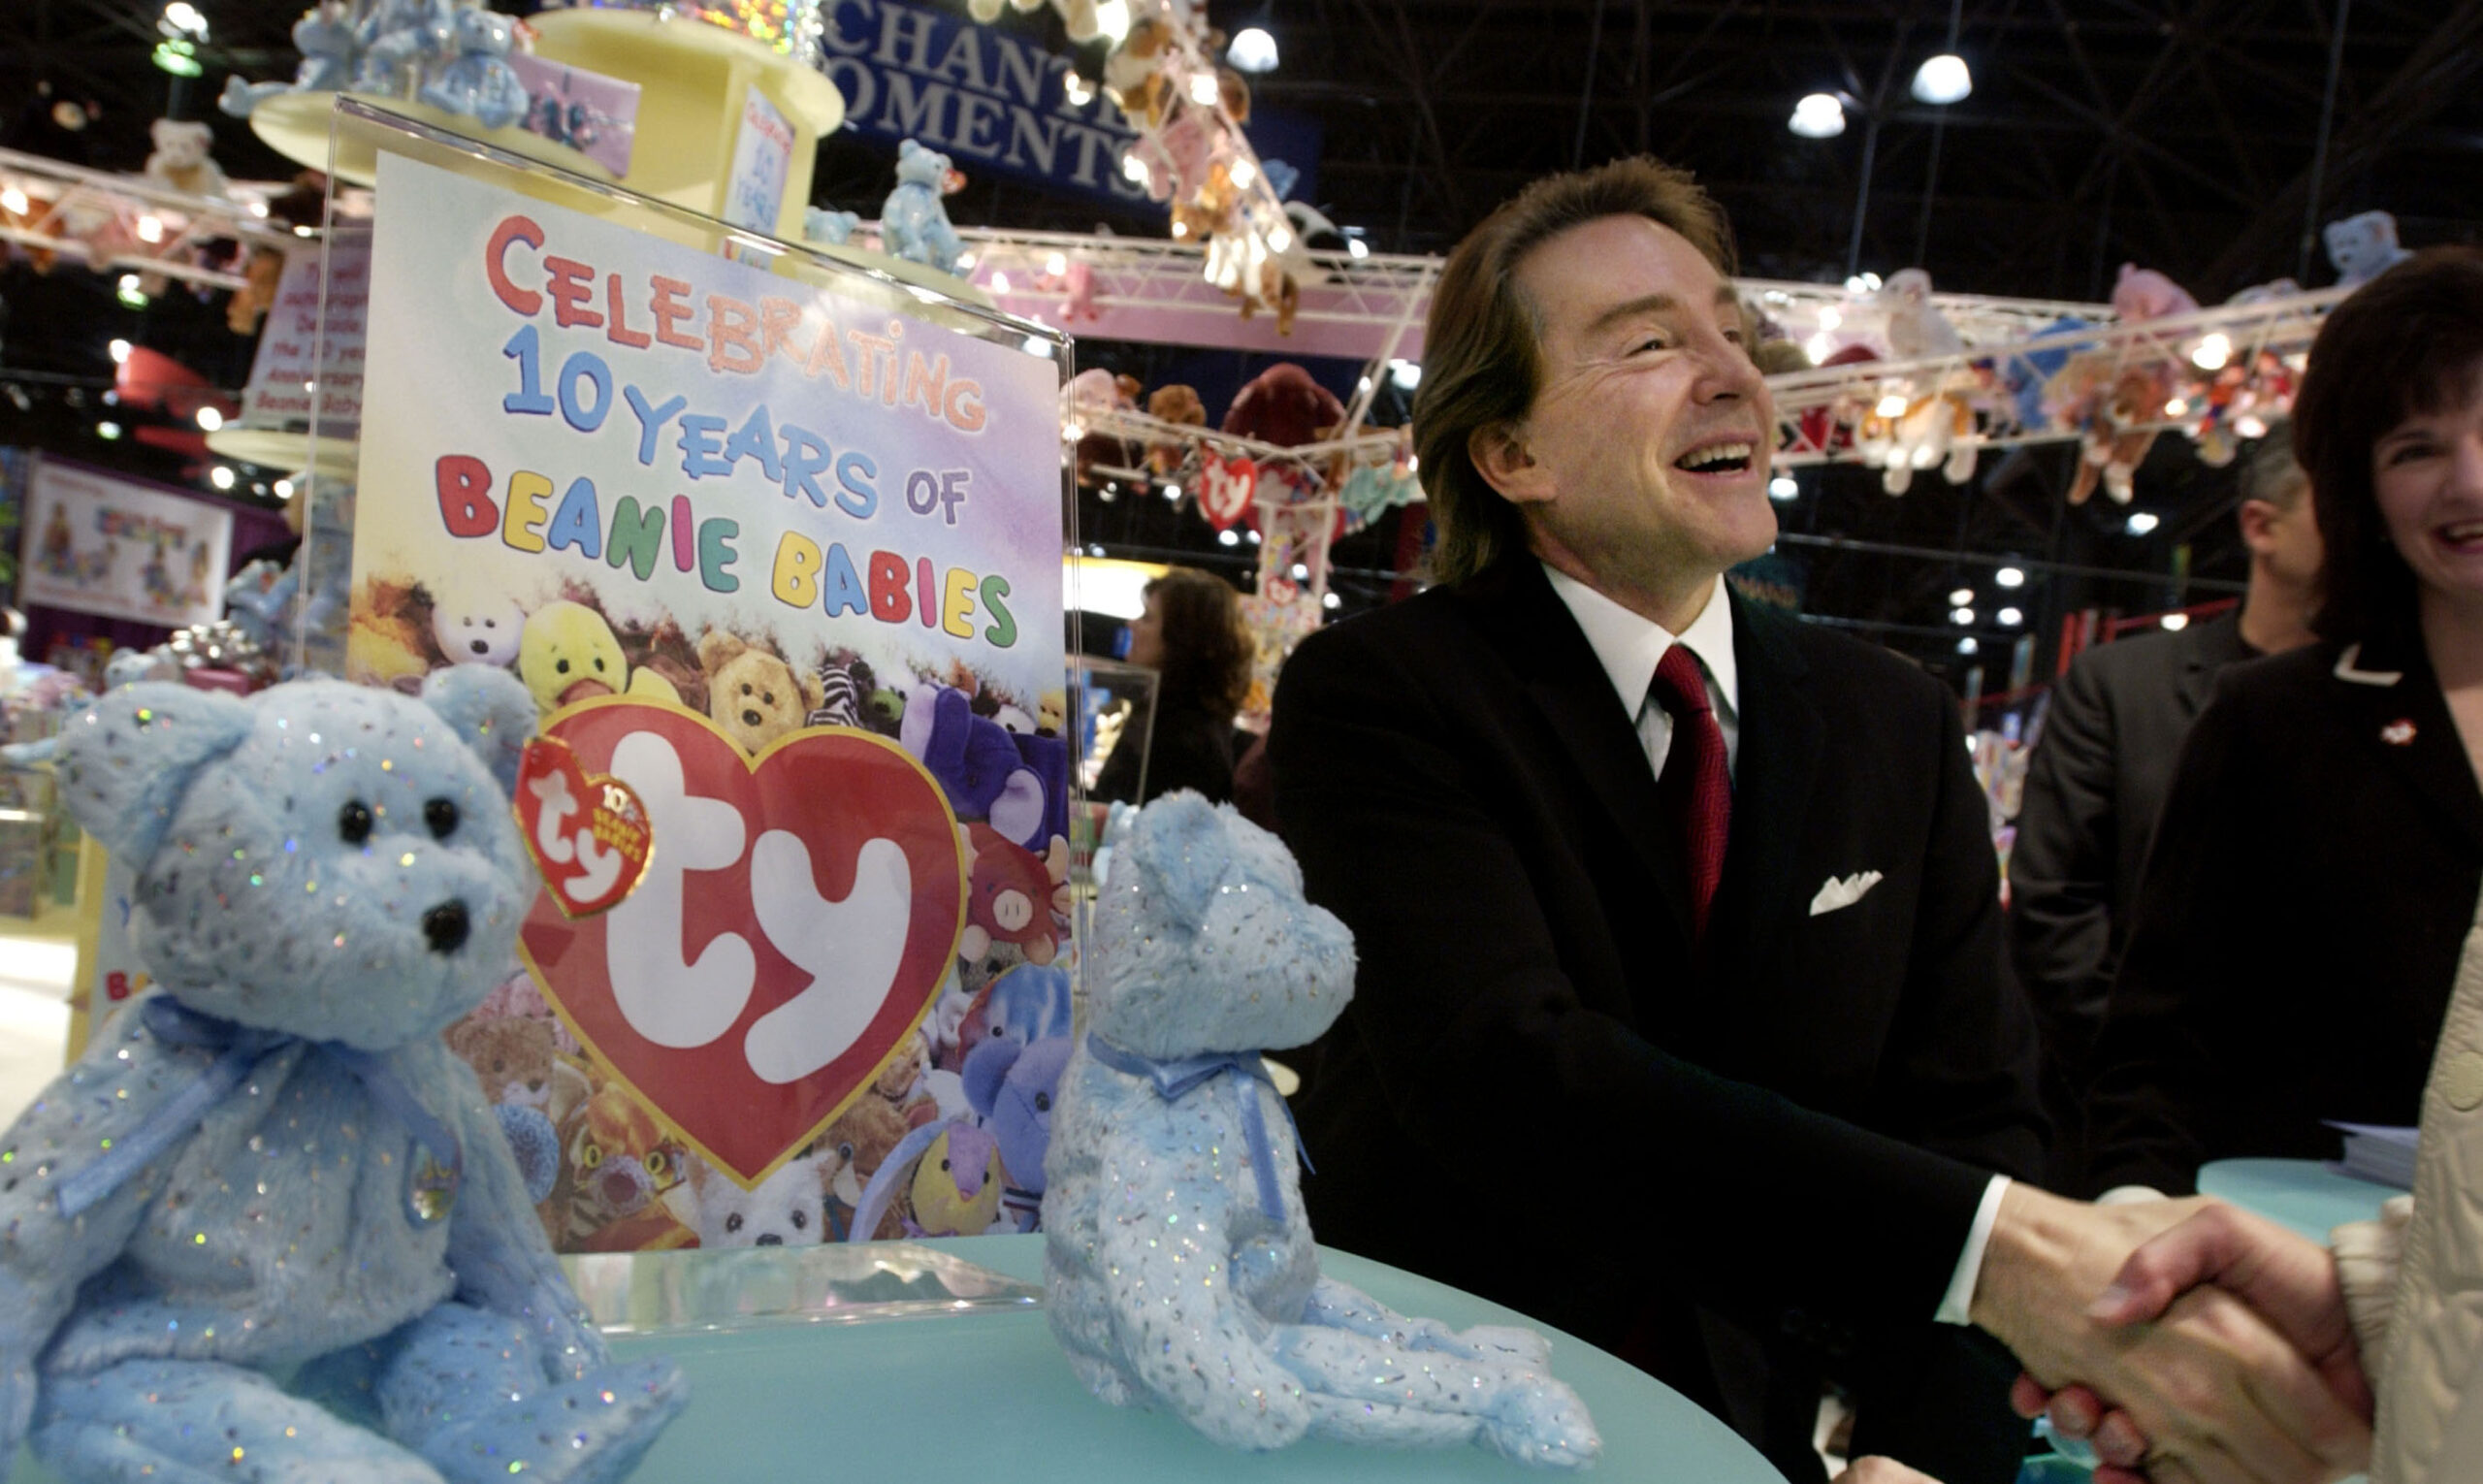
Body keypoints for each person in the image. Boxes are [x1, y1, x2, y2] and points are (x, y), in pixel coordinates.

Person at [1266, 156, 2370, 1484]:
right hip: (1423, 1422)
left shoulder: (1890, 722)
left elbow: (1975, 1112)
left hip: (1753, 1440)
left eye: (1731, 329)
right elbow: (1507, 1070)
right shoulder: (1384, 694)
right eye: (1651, 343)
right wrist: (2004, 1249)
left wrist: (1924, 1440)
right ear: (1512, 452)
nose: (1731, 369)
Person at [2083, 249, 2483, 1201]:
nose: (2468, 481)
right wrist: (2143, 1232)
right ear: (2366, 497)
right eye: (2414, 449)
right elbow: (2156, 1054)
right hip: (2308, 1277)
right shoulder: (2276, 722)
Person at [2009, 436, 2322, 1187]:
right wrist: (2149, 1082)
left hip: (2318, 1152)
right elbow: (2054, 908)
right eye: (2343, 500)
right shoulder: (2122, 687)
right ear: (2260, 526)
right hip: (2115, 1131)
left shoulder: (2391, 715)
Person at [1093, 566, 1252, 807]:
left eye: (1147, 617)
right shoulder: (1175, 717)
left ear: (1182, 639)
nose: (1131, 624)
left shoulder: (1181, 738)